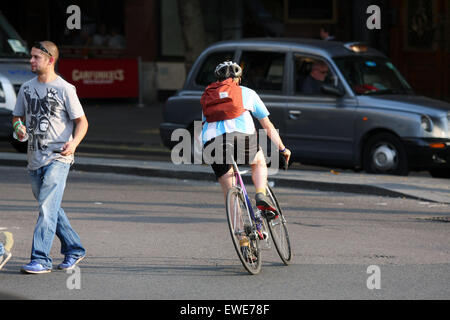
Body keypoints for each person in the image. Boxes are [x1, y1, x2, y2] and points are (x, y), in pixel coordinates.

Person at [12, 41, 88, 274]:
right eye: (31, 57)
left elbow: (82, 122)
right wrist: (19, 128)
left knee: (46, 206)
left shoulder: (66, 89)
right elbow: (17, 117)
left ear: (50, 60)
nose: (31, 61)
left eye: (36, 57)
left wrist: (73, 144)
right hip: (34, 158)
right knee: (51, 207)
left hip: (58, 157)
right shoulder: (26, 88)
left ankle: (40, 259)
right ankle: (74, 248)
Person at [200, 61, 291, 249]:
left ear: (218, 79)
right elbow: (267, 126)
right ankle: (260, 194)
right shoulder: (247, 93)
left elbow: (203, 126)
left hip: (213, 143)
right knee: (257, 162)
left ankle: (243, 243)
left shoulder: (208, 95)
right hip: (241, 138)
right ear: (238, 78)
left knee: (230, 194)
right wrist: (282, 149)